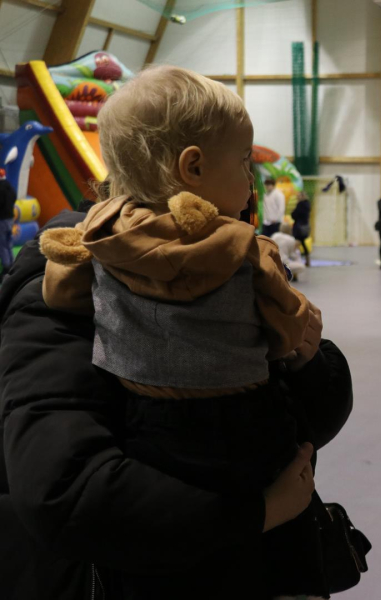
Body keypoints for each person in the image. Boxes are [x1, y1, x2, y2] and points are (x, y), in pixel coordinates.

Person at [31, 65, 326, 597]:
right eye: (243, 162)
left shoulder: (93, 240)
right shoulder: (246, 249)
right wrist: (302, 338)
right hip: (247, 425)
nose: (250, 178)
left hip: (150, 429)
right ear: (194, 167)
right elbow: (287, 333)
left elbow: (62, 297)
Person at [0, 204, 354, 599]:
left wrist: (308, 361)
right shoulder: (68, 286)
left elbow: (305, 424)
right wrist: (257, 514)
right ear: (186, 165)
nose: (246, 191)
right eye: (237, 163)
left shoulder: (225, 254)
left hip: (260, 561)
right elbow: (65, 488)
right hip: (141, 575)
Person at [0, 168, 15, 280]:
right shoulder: (9, 186)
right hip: (10, 218)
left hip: (2, 219)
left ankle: (6, 268)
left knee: (2, 244)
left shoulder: (1, 188)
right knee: (9, 243)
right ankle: (12, 264)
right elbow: (14, 198)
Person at [291, 190, 312, 267]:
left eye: (299, 196)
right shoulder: (307, 204)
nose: (297, 197)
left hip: (299, 227)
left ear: (302, 196)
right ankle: (307, 260)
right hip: (305, 226)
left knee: (296, 244)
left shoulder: (300, 205)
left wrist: (293, 212)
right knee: (303, 243)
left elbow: (294, 215)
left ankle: (295, 259)